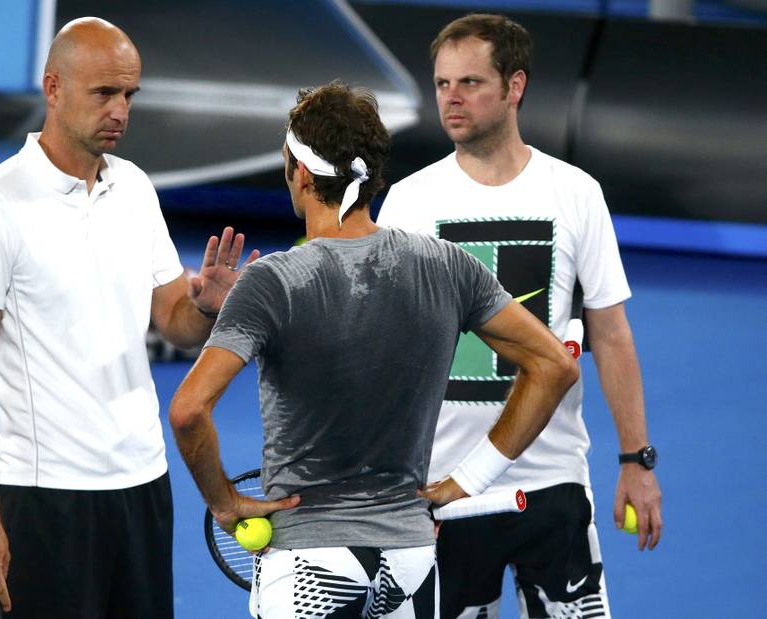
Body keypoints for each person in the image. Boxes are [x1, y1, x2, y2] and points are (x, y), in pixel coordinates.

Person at [169, 82, 579, 619]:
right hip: (410, 562)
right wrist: (469, 480)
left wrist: (223, 502)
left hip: (308, 567)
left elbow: (187, 410)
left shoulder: (272, 280)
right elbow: (555, 365)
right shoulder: (448, 266)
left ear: (300, 172)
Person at [0, 17, 257, 618]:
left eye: (129, 95)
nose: (120, 110)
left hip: (140, 484)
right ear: (53, 88)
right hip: (41, 497)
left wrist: (209, 307)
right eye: (104, 93)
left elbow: (173, 321)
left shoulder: (135, 188)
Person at [376, 13, 663, 618]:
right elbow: (387, 352)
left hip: (553, 480)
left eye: (471, 83)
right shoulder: (408, 202)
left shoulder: (576, 193)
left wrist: (636, 460)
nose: (452, 99)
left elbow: (611, 336)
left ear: (515, 86)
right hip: (441, 490)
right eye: (442, 84)